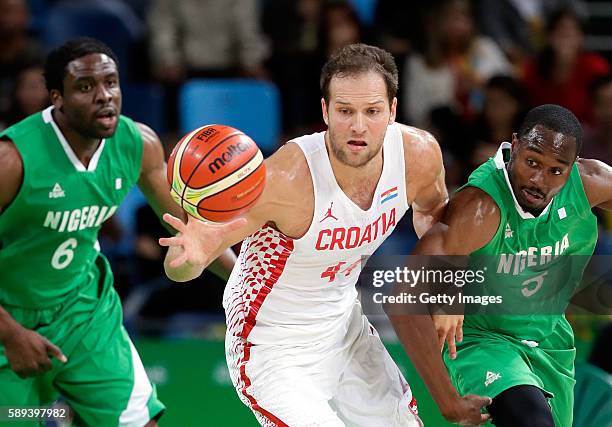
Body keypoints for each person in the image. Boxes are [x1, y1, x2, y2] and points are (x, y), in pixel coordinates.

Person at [160, 43, 491, 426]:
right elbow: (183, 267)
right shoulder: (285, 181)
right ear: (325, 112)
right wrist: (189, 254)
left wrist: (446, 285)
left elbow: (435, 221)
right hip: (271, 344)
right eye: (345, 111)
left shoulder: (418, 155)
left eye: (372, 111)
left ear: (393, 111)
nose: (358, 126)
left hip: (343, 325)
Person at [0, 37, 236, 426]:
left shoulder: (137, 144)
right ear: (56, 98)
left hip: (83, 310)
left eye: (111, 82)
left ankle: (69, 411)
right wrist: (10, 333)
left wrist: (247, 283)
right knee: (20, 415)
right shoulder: (12, 160)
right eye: (85, 87)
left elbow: (191, 230)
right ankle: (60, 413)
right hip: (10, 316)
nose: (104, 96)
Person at [389, 104, 612, 426]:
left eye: (555, 171)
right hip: (484, 341)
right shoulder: (479, 209)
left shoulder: (590, 182)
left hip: (550, 342)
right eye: (531, 162)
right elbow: (403, 299)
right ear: (515, 146)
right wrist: (446, 399)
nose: (538, 180)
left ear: (573, 167)